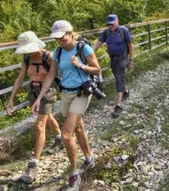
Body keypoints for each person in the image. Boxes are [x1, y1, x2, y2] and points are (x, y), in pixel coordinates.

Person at [31, 20, 101, 191]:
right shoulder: (58, 51)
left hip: (82, 92)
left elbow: (97, 69)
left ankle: (74, 174)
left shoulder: (83, 48)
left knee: (66, 135)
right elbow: (51, 75)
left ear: (71, 33)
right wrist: (39, 98)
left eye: (62, 38)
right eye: (57, 39)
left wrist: (81, 65)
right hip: (66, 94)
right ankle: (89, 158)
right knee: (78, 128)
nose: (60, 41)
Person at [5, 31, 61, 184]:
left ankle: (34, 163)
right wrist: (11, 100)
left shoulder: (48, 57)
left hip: (48, 92)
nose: (28, 51)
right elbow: (20, 78)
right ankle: (59, 137)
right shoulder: (26, 58)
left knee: (39, 126)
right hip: (33, 91)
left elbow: (53, 76)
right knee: (47, 116)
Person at [93, 14, 134, 118]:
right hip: (113, 58)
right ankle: (126, 90)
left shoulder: (123, 31)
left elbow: (130, 45)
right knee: (117, 76)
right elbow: (98, 44)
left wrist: (131, 60)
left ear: (117, 22)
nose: (110, 26)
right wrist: (88, 52)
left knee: (119, 78)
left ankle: (118, 104)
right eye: (108, 24)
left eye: (112, 23)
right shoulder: (106, 32)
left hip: (122, 58)